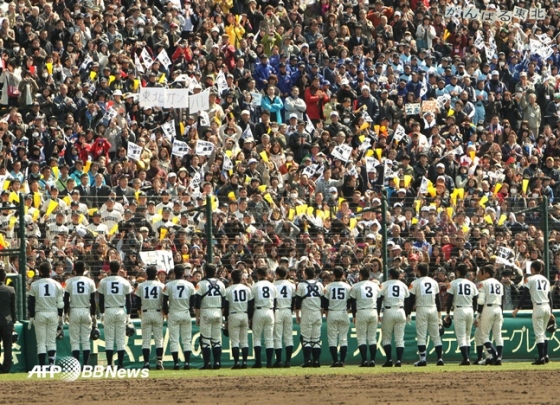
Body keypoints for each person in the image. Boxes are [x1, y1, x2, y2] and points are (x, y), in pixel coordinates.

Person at [512, 260, 555, 365]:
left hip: (538, 307)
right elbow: (550, 297)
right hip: (547, 307)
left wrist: (517, 308)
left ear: (532, 268)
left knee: (539, 334)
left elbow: (524, 295)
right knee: (543, 333)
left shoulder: (530, 279)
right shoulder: (546, 279)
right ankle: (545, 356)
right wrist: (551, 311)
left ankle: (541, 358)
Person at [28, 262, 64, 367]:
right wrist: (61, 317)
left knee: (41, 342)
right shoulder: (57, 284)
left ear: (39, 271)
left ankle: (42, 366)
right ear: (50, 271)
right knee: (51, 341)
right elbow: (61, 304)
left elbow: (31, 302)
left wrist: (31, 317)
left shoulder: (35, 284)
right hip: (53, 312)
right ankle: (52, 364)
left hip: (40, 313)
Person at [98, 261, 132, 369]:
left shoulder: (103, 281)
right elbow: (129, 301)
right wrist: (128, 316)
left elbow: (101, 300)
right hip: (121, 309)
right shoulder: (124, 282)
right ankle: (120, 365)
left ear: (109, 269)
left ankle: (109, 364)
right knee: (120, 339)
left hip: (109, 310)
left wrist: (102, 313)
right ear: (119, 269)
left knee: (109, 339)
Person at [408, 262, 444, 366]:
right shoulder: (434, 282)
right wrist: (439, 316)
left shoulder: (415, 283)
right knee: (436, 336)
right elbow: (438, 300)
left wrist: (408, 312)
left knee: (421, 336)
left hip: (422, 309)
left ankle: (423, 359)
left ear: (419, 271)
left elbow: (410, 300)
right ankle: (440, 359)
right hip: (433, 308)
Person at [163, 264, 196, 370]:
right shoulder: (189, 285)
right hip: (185, 312)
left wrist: (167, 313)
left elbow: (164, 302)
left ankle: (176, 363)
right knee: (186, 340)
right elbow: (193, 300)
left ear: (174, 273)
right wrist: (190, 309)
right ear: (183, 273)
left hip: (173, 312)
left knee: (174, 340)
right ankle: (187, 363)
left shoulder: (169, 285)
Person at [63, 261, 96, 367]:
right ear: (84, 269)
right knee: (86, 340)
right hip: (86, 310)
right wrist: (94, 315)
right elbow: (93, 300)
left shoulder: (69, 281)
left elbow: (66, 299)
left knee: (75, 340)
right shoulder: (90, 282)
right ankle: (86, 364)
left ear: (74, 270)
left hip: (74, 310)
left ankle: (76, 364)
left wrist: (65, 313)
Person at [445, 264, 478, 365]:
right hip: (470, 310)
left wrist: (447, 313)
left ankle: (466, 359)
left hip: (459, 309)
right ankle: (466, 358)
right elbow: (475, 300)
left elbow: (449, 299)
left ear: (458, 272)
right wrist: (475, 313)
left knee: (461, 336)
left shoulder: (453, 283)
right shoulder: (471, 284)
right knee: (467, 336)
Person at [195, 264, 226, 370]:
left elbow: (198, 302)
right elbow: (224, 302)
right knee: (217, 340)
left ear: (205, 271)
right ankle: (217, 362)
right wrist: (221, 314)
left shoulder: (201, 284)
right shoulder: (221, 284)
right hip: (218, 311)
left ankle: (207, 363)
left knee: (205, 340)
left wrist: (197, 316)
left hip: (206, 311)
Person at [349, 267, 381, 367]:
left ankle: (364, 361)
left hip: (362, 312)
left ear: (361, 275)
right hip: (373, 311)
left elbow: (353, 302)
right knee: (372, 338)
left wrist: (354, 315)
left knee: (361, 338)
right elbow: (379, 300)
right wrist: (378, 313)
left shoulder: (356, 286)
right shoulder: (375, 285)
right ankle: (372, 360)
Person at [135, 265, 165, 370]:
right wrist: (165, 313)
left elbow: (137, 302)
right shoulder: (161, 285)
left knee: (146, 340)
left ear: (147, 274)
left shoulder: (141, 286)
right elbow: (164, 302)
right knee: (159, 339)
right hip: (157, 312)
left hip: (146, 312)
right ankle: (159, 362)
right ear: (156, 274)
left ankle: (146, 363)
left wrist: (139, 313)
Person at [379, 268, 410, 367]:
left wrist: (378, 312)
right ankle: (399, 361)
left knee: (386, 338)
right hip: (400, 311)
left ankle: (389, 360)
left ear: (390, 275)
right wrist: (408, 313)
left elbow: (379, 299)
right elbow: (408, 300)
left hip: (389, 310)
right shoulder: (403, 285)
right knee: (399, 338)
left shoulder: (384, 284)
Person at [295, 267, 325, 368]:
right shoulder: (320, 284)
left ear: (306, 274)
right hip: (317, 313)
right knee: (316, 339)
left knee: (306, 339)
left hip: (307, 313)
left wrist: (297, 315)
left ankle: (307, 360)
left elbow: (298, 302)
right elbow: (324, 300)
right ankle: (316, 361)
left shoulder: (301, 285)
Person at [224, 269, 253, 369]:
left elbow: (226, 306)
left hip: (233, 314)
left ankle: (236, 362)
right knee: (244, 341)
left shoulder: (228, 290)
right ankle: (244, 362)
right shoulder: (247, 289)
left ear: (232, 278)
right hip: (244, 314)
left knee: (235, 341)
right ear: (241, 278)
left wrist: (226, 319)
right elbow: (250, 305)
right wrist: (250, 317)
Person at [476, 265, 504, 365]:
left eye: (483, 272)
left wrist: (478, 314)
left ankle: (495, 355)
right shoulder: (499, 284)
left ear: (487, 273)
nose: (482, 274)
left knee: (483, 335)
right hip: (499, 308)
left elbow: (480, 301)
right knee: (498, 335)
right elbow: (502, 299)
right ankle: (499, 357)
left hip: (488, 308)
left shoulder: (483, 283)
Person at [323, 266, 351, 367]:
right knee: (343, 338)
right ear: (343, 274)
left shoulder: (328, 287)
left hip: (332, 312)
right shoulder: (347, 286)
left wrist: (326, 313)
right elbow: (350, 301)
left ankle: (335, 361)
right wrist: (347, 309)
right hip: (343, 312)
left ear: (333, 275)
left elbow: (325, 303)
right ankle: (342, 361)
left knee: (332, 338)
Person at [251, 267, 276, 368]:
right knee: (269, 339)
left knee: (257, 338)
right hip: (270, 310)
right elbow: (276, 301)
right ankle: (269, 363)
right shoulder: (272, 286)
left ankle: (258, 362)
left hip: (258, 310)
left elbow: (251, 302)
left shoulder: (255, 286)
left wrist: (250, 316)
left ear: (258, 275)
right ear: (267, 275)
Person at [272, 266, 295, 368]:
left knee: (277, 337)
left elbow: (274, 300)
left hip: (278, 310)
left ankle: (279, 361)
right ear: (286, 274)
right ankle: (288, 361)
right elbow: (294, 300)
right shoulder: (292, 285)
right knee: (288, 337)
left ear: (276, 274)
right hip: (288, 310)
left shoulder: (273, 285)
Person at [0, 269, 16, 373]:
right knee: (7, 346)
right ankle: (6, 368)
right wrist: (14, 321)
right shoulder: (10, 290)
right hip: (7, 321)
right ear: (4, 277)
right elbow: (13, 309)